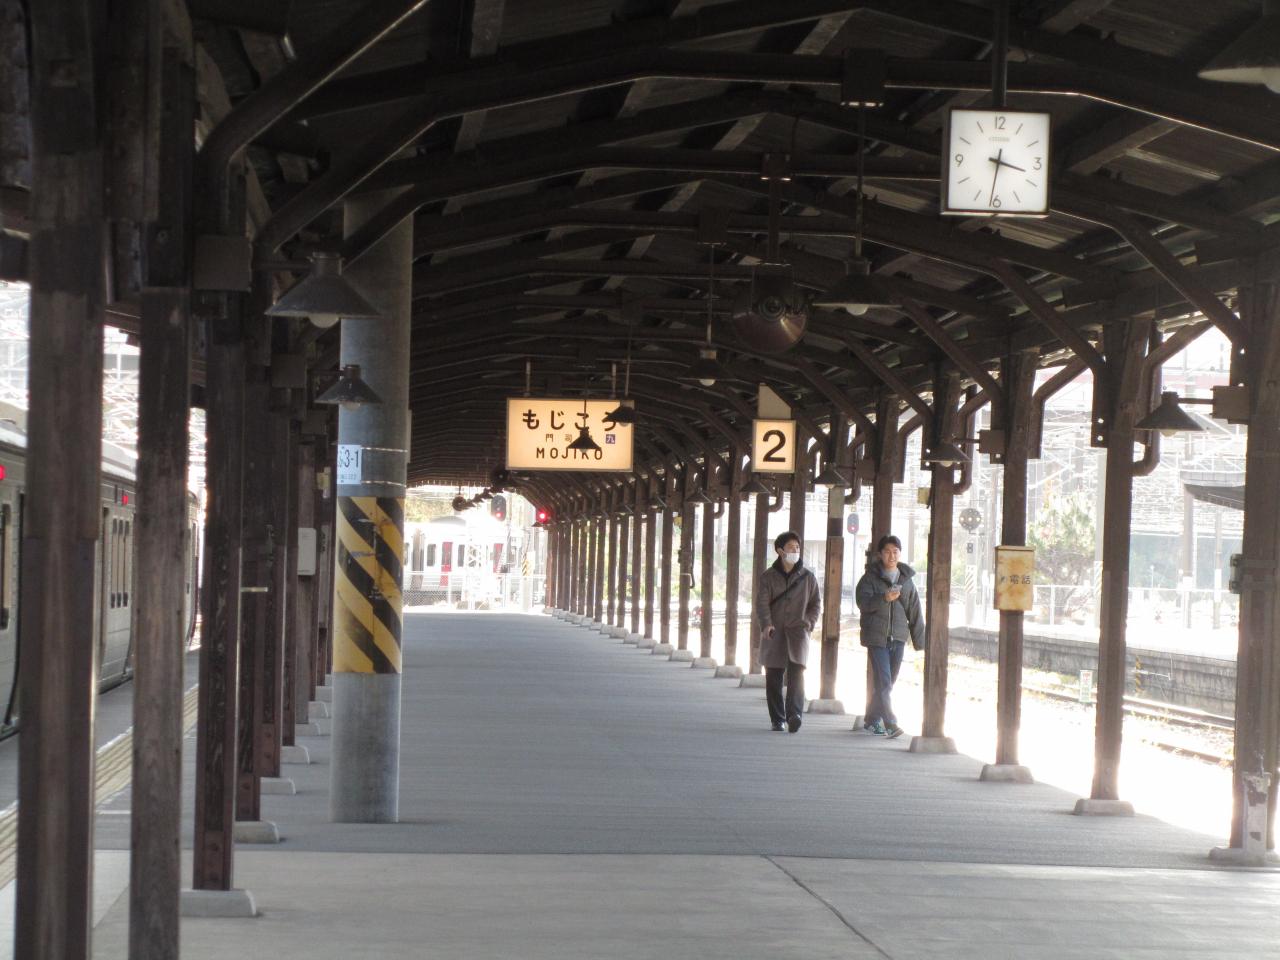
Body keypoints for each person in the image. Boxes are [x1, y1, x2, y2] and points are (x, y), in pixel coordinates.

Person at [855, 535, 925, 739]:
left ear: (900, 554)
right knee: (885, 682)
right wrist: (884, 598)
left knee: (887, 683)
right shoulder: (869, 579)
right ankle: (891, 723)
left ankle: (871, 719)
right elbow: (863, 604)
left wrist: (920, 641)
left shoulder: (907, 581)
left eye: (895, 551)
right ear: (880, 554)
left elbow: (915, 611)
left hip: (898, 638)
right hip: (876, 638)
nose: (891, 555)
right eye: (887, 551)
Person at [754, 531, 821, 733]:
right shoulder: (768, 577)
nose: (795, 551)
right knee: (773, 676)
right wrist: (766, 624)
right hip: (774, 633)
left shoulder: (808, 577)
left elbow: (816, 604)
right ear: (780, 551)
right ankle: (777, 719)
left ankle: (794, 715)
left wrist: (809, 623)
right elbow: (762, 604)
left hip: (798, 633)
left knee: (797, 674)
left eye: (798, 547)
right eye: (791, 547)